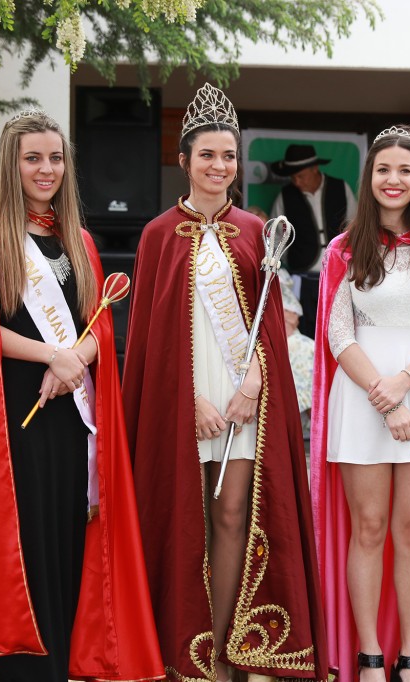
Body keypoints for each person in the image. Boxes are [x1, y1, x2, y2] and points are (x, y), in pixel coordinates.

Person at [0, 108, 162, 681]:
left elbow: (99, 327)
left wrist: (76, 357)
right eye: (33, 158)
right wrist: (53, 355)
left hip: (71, 416)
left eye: (55, 158)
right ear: (13, 165)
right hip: (12, 421)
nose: (46, 169)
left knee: (66, 540)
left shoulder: (79, 241)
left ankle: (58, 667)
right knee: (21, 547)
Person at [122, 84, 327, 682]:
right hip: (186, 398)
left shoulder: (256, 230)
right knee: (187, 517)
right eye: (207, 155)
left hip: (243, 398)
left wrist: (256, 381)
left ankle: (224, 650)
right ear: (183, 160)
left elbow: (269, 325)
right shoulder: (158, 235)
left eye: (229, 156)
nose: (219, 166)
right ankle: (186, 651)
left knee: (234, 513)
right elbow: (150, 340)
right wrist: (187, 401)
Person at [311, 124, 410, 682]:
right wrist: (385, 398)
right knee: (369, 526)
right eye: (384, 169)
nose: (394, 179)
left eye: (405, 170)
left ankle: (408, 655)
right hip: (361, 396)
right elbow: (338, 335)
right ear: (370, 177)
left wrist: (403, 383)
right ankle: (369, 656)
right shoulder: (344, 248)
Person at [271, 143, 357, 338]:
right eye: (293, 177)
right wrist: (289, 262)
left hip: (338, 276)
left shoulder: (340, 188)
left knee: (337, 330)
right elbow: (276, 237)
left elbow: (354, 227)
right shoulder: (285, 196)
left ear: (315, 168)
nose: (296, 182)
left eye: (301, 176)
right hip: (303, 279)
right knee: (306, 332)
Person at [279, 268, 315, 441]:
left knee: (304, 347)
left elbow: (292, 320)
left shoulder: (281, 278)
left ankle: (316, 424)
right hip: (280, 339)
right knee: (301, 347)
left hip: (290, 337)